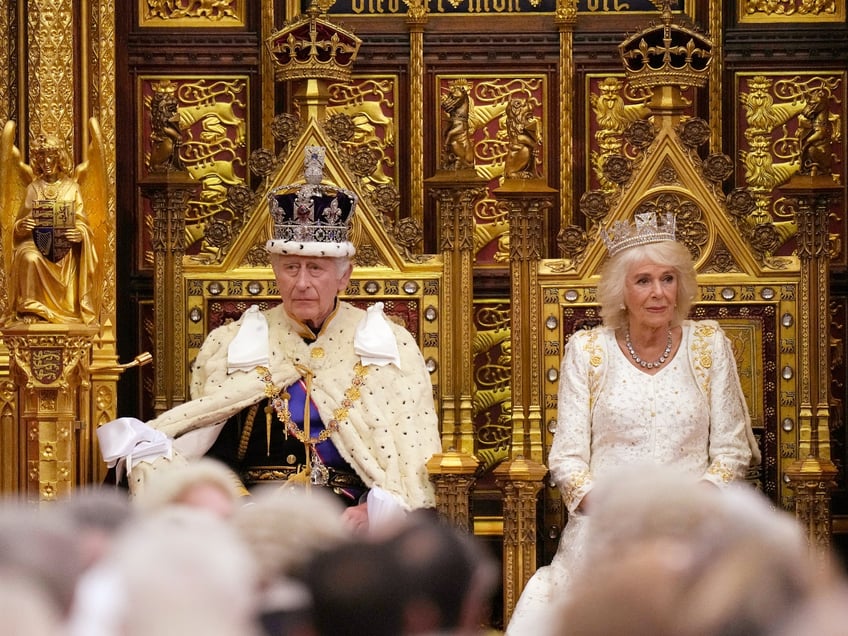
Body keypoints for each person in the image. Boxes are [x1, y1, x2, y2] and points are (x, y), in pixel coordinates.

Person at [98, 145, 442, 534]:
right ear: (275, 272)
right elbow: (211, 453)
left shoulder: (387, 344)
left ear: (344, 277)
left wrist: (373, 510)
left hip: (348, 522)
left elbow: (406, 462)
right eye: (290, 267)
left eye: (316, 268)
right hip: (255, 517)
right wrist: (240, 509)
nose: (302, 283)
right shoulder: (233, 342)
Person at [505, 211, 760, 635]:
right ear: (621, 291)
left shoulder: (709, 345)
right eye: (643, 280)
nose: (658, 293)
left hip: (694, 521)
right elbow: (567, 461)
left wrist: (682, 508)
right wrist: (622, 513)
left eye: (668, 278)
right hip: (607, 526)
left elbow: (732, 453)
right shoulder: (588, 351)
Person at [10, 133, 99, 324]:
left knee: (69, 258)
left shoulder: (72, 187)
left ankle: (68, 309)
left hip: (64, 252)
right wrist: (22, 226)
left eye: (50, 157)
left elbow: (83, 222)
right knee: (28, 256)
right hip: (37, 246)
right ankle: (32, 308)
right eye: (41, 158)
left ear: (59, 158)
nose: (46, 162)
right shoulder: (33, 188)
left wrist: (80, 233)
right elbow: (18, 227)